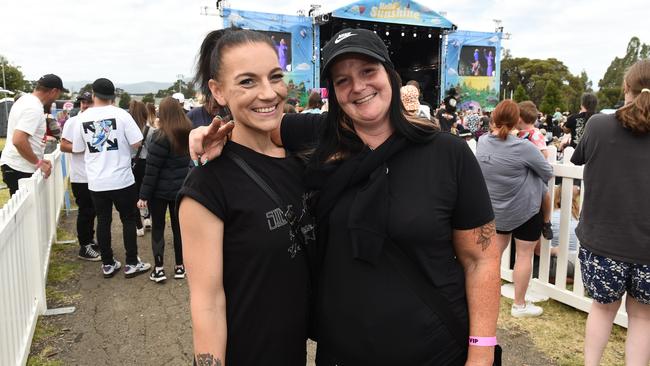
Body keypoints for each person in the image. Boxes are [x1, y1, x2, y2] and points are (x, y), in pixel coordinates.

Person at [190, 27, 501, 366]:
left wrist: (482, 351)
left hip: (435, 352)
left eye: (368, 71)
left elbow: (481, 259)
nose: (358, 87)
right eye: (342, 80)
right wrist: (209, 131)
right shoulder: (318, 138)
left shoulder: (448, 154)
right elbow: (254, 122)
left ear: (391, 76)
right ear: (334, 92)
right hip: (342, 353)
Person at [178, 29, 311, 366]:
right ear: (218, 91)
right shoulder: (208, 185)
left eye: (275, 77)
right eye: (248, 82)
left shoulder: (302, 158)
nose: (268, 93)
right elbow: (207, 302)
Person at [571, 59, 650, 366]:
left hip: (603, 243)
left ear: (625, 88)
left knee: (602, 309)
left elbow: (579, 159)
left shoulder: (599, 125)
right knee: (643, 319)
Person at [476, 99, 553, 318]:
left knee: (492, 257)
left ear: (493, 118)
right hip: (524, 210)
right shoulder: (524, 147)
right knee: (524, 256)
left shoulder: (482, 142)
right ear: (516, 121)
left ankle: (483, 295)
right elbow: (546, 172)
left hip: (496, 210)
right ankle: (519, 305)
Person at [71, 78, 151, 278]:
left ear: (93, 94)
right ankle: (132, 262)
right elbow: (136, 142)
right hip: (122, 178)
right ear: (113, 95)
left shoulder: (82, 117)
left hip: (96, 181)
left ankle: (107, 263)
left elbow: (77, 148)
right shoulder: (121, 115)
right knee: (128, 219)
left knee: (103, 221)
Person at [137, 97, 191, 283]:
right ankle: (180, 266)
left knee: (158, 229)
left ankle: (159, 269)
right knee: (179, 229)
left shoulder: (159, 137)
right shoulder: (188, 133)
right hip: (180, 191)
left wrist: (143, 195)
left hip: (159, 193)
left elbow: (151, 170)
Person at [0, 74, 64, 195]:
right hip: (20, 168)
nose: (57, 98)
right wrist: (38, 162)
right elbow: (18, 140)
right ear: (54, 91)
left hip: (16, 165)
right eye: (58, 94)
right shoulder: (34, 108)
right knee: (25, 213)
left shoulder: (25, 100)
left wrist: (39, 160)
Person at [60, 91, 101, 261]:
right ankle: (84, 246)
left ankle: (90, 240)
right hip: (80, 176)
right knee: (86, 211)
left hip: (96, 174)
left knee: (94, 211)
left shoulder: (99, 121)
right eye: (82, 102)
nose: (84, 105)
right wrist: (81, 148)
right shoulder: (72, 122)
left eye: (88, 102)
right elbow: (63, 145)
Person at [517, 101, 554, 240]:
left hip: (536, 173)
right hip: (524, 175)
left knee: (545, 194)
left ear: (519, 118)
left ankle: (546, 221)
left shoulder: (535, 134)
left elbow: (544, 153)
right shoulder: (519, 134)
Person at [128, 100, 153, 235]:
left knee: (134, 195)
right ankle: (148, 218)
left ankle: (139, 226)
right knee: (147, 192)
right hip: (147, 164)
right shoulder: (150, 130)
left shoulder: (127, 129)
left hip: (131, 164)